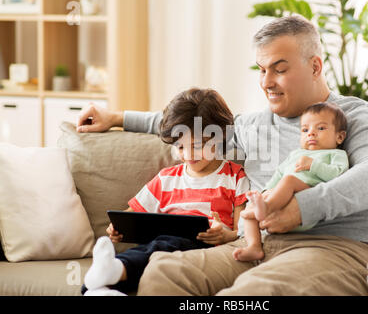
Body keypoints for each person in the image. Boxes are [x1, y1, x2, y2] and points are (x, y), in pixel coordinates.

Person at [77, 15, 368, 296]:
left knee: (254, 293)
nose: (266, 82)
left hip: (335, 249)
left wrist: (302, 209)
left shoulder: (353, 115)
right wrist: (117, 117)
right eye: (262, 70)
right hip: (255, 246)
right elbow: (191, 127)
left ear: (315, 66)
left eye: (279, 69)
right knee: (164, 272)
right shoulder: (253, 127)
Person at [81, 88, 249, 296]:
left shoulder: (234, 176)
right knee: (107, 276)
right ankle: (101, 287)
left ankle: (115, 270)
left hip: (202, 251)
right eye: (180, 147)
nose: (188, 155)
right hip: (160, 247)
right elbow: (130, 215)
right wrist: (117, 228)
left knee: (165, 247)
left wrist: (225, 235)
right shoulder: (166, 178)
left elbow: (241, 232)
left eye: (197, 146)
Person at [232, 102, 349, 262]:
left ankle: (265, 207)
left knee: (289, 180)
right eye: (305, 130)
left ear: (339, 136)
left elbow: (338, 175)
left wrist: (313, 165)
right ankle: (254, 247)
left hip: (308, 196)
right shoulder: (296, 154)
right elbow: (278, 175)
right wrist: (266, 192)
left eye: (320, 128)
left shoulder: (335, 154)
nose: (311, 134)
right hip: (281, 201)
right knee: (248, 211)